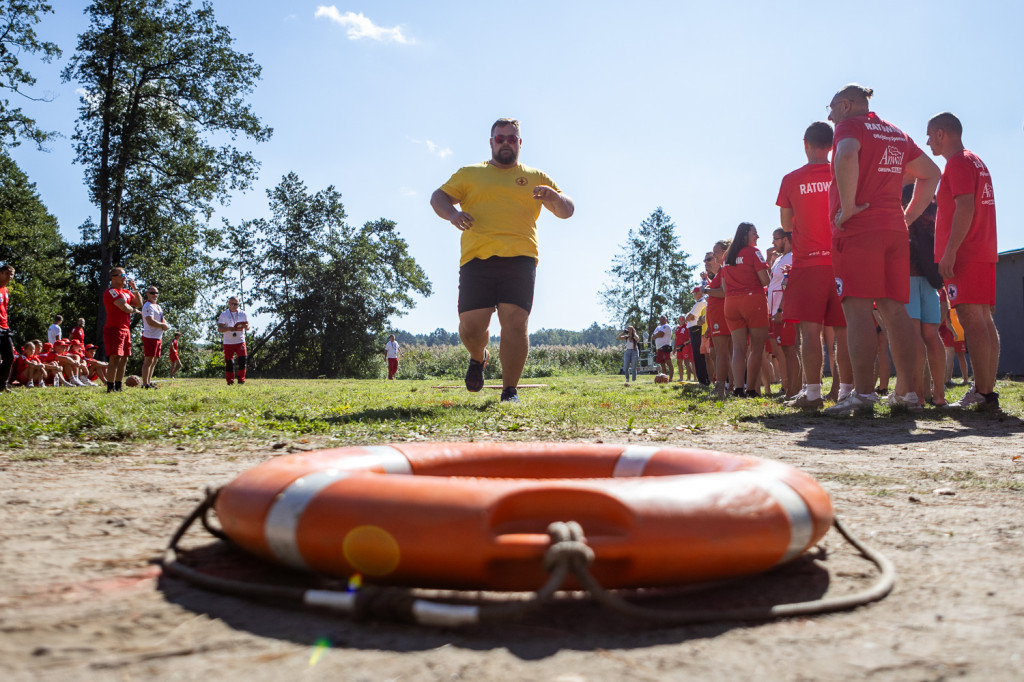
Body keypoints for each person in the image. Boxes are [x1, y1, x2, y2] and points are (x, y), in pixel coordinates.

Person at [430, 118, 574, 403]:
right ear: (491, 142)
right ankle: (478, 357)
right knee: (471, 327)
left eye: (511, 138)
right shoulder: (470, 173)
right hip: (476, 259)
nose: (505, 142)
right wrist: (453, 215)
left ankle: (510, 390)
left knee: (515, 323)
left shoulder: (536, 176)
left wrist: (555, 197)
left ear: (520, 143)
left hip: (520, 258)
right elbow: (438, 197)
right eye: (500, 138)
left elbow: (566, 211)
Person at [823, 84, 940, 416]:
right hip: (892, 229)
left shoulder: (850, 126)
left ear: (846, 105)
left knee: (857, 309)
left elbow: (846, 155)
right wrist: (907, 216)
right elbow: (932, 173)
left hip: (859, 229)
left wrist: (847, 208)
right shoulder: (895, 132)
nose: (829, 116)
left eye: (831, 108)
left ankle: (862, 395)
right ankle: (908, 394)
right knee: (895, 310)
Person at [926, 112, 1000, 411]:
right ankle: (986, 390)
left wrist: (950, 251)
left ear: (942, 133)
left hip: (966, 253)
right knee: (983, 318)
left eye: (930, 134)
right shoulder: (975, 160)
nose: (928, 141)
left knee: (973, 320)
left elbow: (965, 207)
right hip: (982, 248)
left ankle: (983, 394)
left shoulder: (957, 162)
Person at [777, 122, 853, 409]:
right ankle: (847, 392)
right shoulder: (843, 174)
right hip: (842, 260)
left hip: (808, 263)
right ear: (833, 146)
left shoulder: (791, 179)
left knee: (810, 332)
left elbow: (785, 225)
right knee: (845, 331)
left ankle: (812, 394)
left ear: (805, 144)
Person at [903, 187, 947, 406]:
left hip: (908, 274)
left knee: (914, 336)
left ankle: (918, 397)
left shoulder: (901, 196)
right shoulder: (931, 200)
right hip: (931, 275)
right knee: (932, 334)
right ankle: (939, 396)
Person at [722, 223, 770, 397]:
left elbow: (724, 286)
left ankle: (738, 388)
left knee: (738, 349)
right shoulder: (753, 252)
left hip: (731, 303)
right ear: (745, 235)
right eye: (754, 233)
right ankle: (751, 389)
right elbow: (765, 281)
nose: (757, 237)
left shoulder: (727, 257)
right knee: (757, 348)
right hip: (752, 300)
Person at [767, 229, 800, 398]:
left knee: (790, 350)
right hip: (774, 311)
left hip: (784, 310)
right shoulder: (779, 258)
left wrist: (781, 309)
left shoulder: (792, 256)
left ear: (786, 239)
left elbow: (789, 284)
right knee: (782, 351)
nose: (773, 243)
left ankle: (794, 389)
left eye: (776, 239)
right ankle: (787, 387)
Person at [103, 267, 142, 392]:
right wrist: (134, 310)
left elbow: (139, 303)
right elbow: (124, 307)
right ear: (113, 277)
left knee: (124, 357)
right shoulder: (111, 291)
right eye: (121, 275)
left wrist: (135, 288)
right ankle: (110, 386)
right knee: (114, 358)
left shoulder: (126, 292)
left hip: (126, 329)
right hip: (114, 329)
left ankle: (119, 386)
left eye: (125, 274)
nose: (124, 277)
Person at [140, 286, 171, 389]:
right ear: (147, 294)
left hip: (158, 336)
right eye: (152, 292)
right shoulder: (147, 306)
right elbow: (150, 321)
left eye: (156, 293)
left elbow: (162, 319)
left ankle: (149, 382)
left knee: (154, 360)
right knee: (148, 360)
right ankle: (145, 384)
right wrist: (162, 326)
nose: (155, 295)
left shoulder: (157, 306)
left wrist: (165, 325)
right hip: (150, 336)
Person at [217, 296, 250, 385]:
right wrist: (228, 328)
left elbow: (248, 326)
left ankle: (241, 380)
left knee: (243, 360)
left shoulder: (243, 314)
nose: (235, 306)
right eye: (233, 304)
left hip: (240, 340)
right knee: (229, 362)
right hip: (228, 342)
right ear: (229, 304)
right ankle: (230, 381)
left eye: (237, 304)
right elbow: (219, 329)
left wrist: (246, 327)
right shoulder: (224, 314)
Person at [684, 282, 709, 385]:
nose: (694, 296)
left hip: (696, 330)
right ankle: (704, 379)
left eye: (695, 293)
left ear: (699, 293)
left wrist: (687, 317)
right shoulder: (701, 302)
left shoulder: (700, 303)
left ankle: (703, 380)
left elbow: (689, 318)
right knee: (700, 356)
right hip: (696, 329)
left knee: (699, 356)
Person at [0, 264, 14, 392]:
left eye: (12, 275)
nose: (10, 277)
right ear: (1, 273)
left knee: (9, 357)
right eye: (8, 274)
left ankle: (2, 385)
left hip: (5, 327)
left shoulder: (5, 290)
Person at [651, 315, 674, 381]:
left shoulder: (666, 326)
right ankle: (663, 378)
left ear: (666, 320)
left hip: (665, 347)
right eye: (660, 319)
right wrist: (656, 335)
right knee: (662, 363)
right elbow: (653, 336)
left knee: (668, 362)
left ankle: (671, 378)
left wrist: (656, 335)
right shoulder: (659, 327)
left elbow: (661, 334)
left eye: (663, 319)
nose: (661, 320)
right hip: (659, 348)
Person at [674, 314, 695, 382]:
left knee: (686, 362)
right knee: (679, 362)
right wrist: (674, 348)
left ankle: (688, 378)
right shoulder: (677, 328)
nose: (681, 320)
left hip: (685, 346)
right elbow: (676, 338)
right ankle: (681, 377)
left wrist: (687, 341)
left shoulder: (687, 326)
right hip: (678, 347)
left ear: (685, 320)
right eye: (679, 319)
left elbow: (692, 336)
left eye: (682, 319)